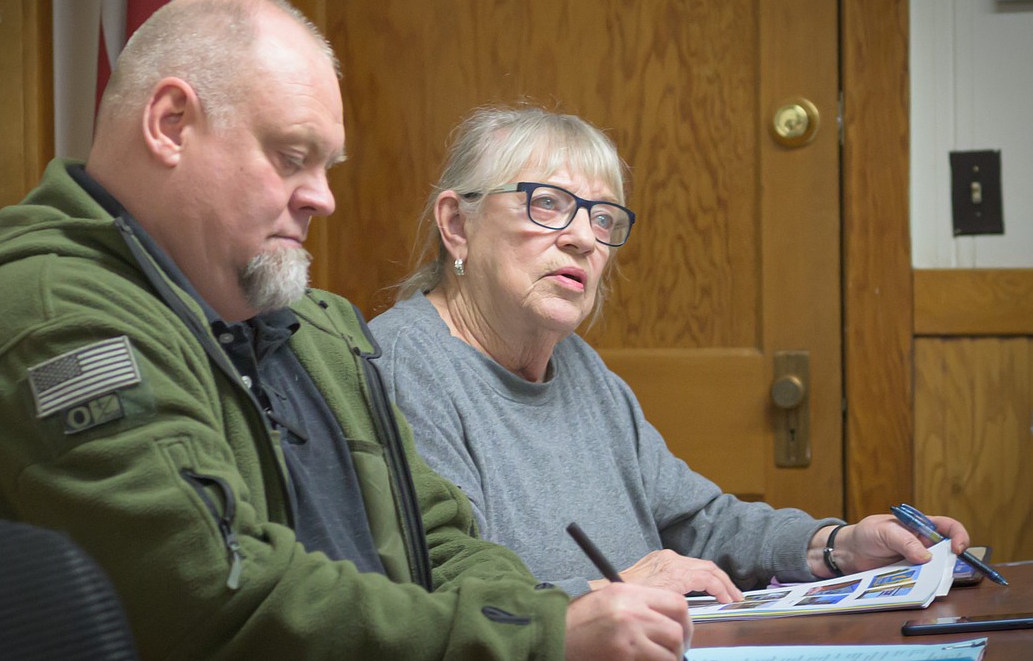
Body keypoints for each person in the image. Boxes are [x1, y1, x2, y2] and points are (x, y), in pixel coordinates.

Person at [0, 0, 699, 661]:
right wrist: (539, 642)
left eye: (324, 165)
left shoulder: (312, 324)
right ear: (171, 124)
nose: (322, 196)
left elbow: (438, 537)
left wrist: (549, 623)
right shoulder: (50, 320)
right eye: (290, 156)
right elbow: (220, 597)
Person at [369, 104, 971, 601]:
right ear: (457, 224)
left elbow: (699, 524)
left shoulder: (580, 369)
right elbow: (441, 593)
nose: (583, 238)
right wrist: (618, 589)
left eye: (602, 218)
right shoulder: (404, 365)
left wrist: (837, 544)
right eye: (545, 203)